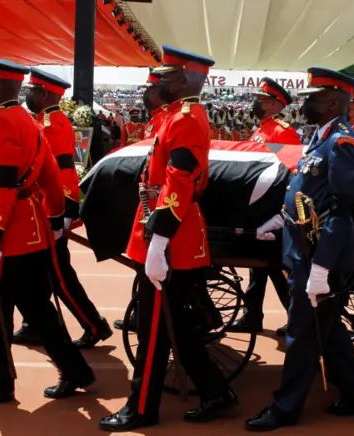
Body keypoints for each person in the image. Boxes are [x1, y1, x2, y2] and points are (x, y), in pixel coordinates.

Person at [99, 46, 237, 432]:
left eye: (167, 75)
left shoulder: (188, 119)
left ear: (187, 79)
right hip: (166, 229)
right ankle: (216, 393)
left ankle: (142, 408)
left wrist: (159, 243)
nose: (158, 81)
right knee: (174, 324)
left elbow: (178, 182)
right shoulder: (175, 116)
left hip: (172, 235)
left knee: (154, 329)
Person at [245, 68, 354, 432]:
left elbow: (339, 207)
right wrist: (280, 219)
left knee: (302, 333)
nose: (304, 103)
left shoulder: (342, 143)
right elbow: (308, 192)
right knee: (327, 329)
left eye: (312, 97)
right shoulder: (319, 138)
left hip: (321, 255)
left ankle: (284, 408)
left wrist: (321, 268)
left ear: (333, 102)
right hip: (304, 247)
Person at [0, 55, 94, 406]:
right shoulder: (29, 121)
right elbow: (50, 174)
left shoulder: (0, 122)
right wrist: (56, 216)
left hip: (8, 231)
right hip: (33, 229)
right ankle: (75, 369)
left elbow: (2, 185)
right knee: (37, 307)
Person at [12, 67, 113, 349]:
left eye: (32, 91)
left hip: (51, 211)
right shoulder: (48, 120)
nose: (28, 95)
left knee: (59, 277)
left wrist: (65, 212)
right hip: (45, 209)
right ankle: (34, 324)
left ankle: (94, 325)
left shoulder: (51, 125)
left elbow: (64, 171)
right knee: (38, 275)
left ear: (44, 94)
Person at [228, 77, 300, 335]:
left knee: (272, 266)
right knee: (257, 266)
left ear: (273, 104)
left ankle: (296, 315)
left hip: (272, 211)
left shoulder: (283, 132)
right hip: (256, 209)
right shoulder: (260, 130)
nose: (255, 104)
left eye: (260, 100)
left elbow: (290, 173)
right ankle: (252, 315)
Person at [114, 69, 168, 332]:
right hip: (147, 197)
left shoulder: (164, 120)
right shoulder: (155, 120)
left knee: (146, 263)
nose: (145, 95)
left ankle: (145, 316)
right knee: (141, 263)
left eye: (150, 89)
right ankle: (141, 313)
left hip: (157, 202)